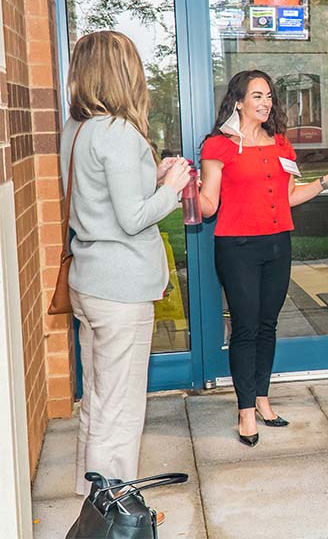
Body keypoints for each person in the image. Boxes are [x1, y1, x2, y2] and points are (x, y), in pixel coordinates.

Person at [60, 31, 192, 495]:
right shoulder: (117, 131)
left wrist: (152, 174)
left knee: (98, 397)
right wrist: (172, 189)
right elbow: (133, 218)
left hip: (90, 282)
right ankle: (113, 503)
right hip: (120, 291)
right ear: (121, 73)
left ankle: (90, 492)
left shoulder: (76, 129)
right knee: (119, 406)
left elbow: (100, 195)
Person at [198, 70, 328, 447]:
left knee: (268, 325)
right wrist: (183, 190)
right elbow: (208, 208)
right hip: (237, 247)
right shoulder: (218, 146)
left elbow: (288, 197)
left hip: (276, 245)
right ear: (237, 101)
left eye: (268, 96)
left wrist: (325, 182)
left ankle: (263, 399)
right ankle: (246, 411)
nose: (266, 102)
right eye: (257, 96)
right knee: (246, 327)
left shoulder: (282, 144)